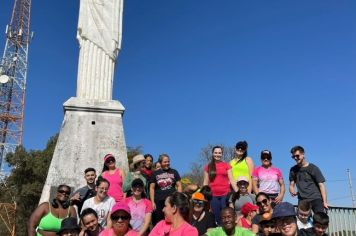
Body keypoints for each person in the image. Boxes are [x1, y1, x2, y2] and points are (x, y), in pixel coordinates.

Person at [203, 146, 238, 225]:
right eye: (215, 153)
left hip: (225, 195)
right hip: (213, 196)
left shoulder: (227, 165)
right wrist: (204, 196)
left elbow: (232, 180)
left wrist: (237, 192)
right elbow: (205, 182)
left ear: (222, 154)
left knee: (226, 215)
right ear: (212, 154)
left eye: (219, 153)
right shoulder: (207, 167)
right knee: (217, 217)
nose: (217, 154)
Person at [289, 146, 328, 213]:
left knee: (319, 221)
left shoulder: (313, 168)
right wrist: (291, 190)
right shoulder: (293, 170)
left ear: (303, 154)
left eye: (297, 156)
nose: (295, 158)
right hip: (302, 200)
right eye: (293, 157)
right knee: (302, 222)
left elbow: (321, 185)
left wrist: (324, 202)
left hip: (316, 199)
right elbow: (291, 184)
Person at [150, 154, 182, 225]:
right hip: (159, 201)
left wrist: (179, 198)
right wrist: (152, 202)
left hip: (172, 201)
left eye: (168, 161)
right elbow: (152, 188)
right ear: (160, 163)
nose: (167, 163)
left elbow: (179, 185)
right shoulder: (155, 173)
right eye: (165, 162)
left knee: (172, 220)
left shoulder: (174, 172)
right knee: (159, 221)